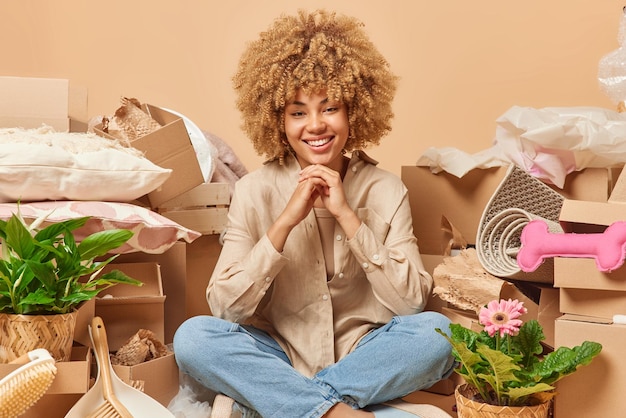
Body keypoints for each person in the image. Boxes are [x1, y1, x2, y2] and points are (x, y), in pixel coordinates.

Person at [173, 9, 455, 418]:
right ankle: (337, 412)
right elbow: (225, 309)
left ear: (353, 111)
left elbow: (412, 304)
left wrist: (348, 217)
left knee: (439, 333)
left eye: (330, 108)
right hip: (278, 354)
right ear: (278, 120)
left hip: (365, 356)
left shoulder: (386, 189)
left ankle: (283, 404)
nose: (316, 125)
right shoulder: (254, 190)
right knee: (193, 338)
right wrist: (285, 221)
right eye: (298, 111)